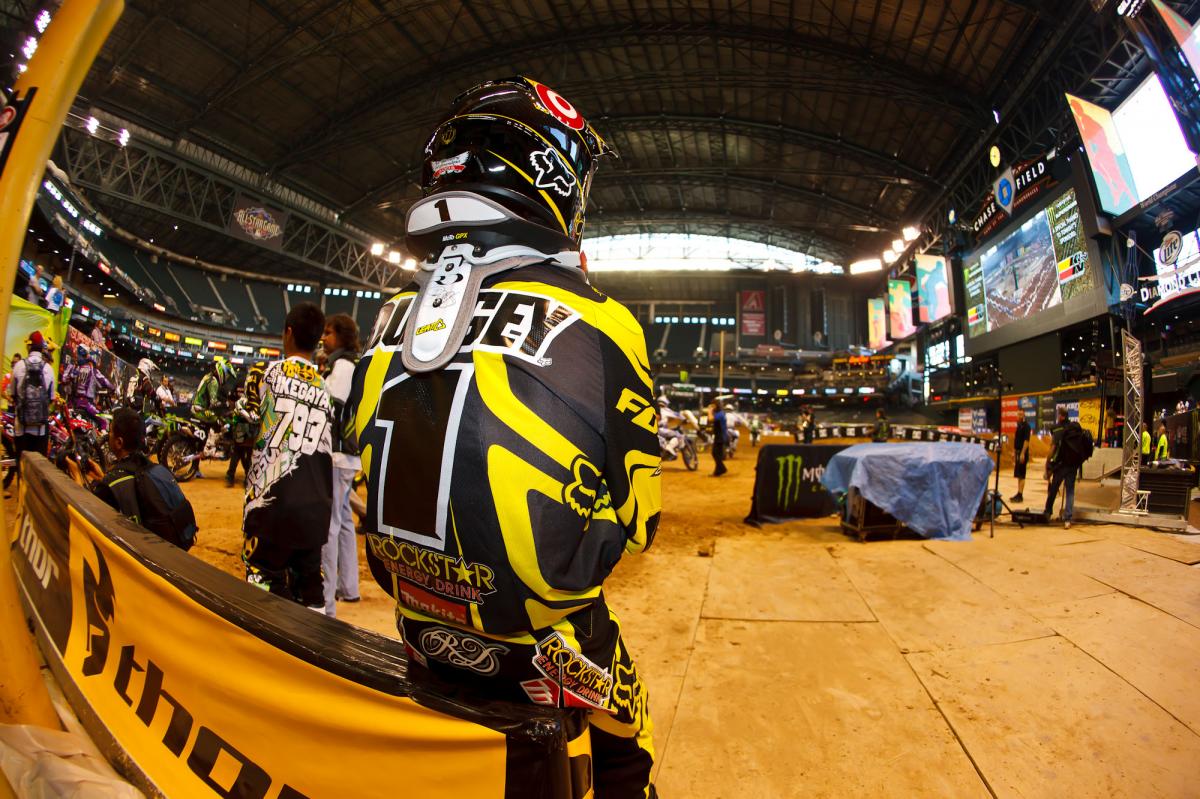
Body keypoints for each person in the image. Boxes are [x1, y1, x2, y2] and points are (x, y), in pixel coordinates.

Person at [344, 77, 659, 798]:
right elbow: (642, 522)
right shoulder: (605, 322)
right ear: (551, 172)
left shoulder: (389, 319)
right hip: (547, 649)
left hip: (418, 631)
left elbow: (361, 469)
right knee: (628, 728)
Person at [241, 303, 333, 610]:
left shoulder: (265, 374)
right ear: (317, 340)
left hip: (271, 503)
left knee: (261, 594)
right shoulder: (325, 387)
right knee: (312, 596)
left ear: (288, 332)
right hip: (315, 508)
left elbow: (245, 423)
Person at [92, 408, 197, 550]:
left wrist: (77, 473)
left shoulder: (111, 483)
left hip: (145, 555)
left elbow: (86, 515)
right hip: (175, 548)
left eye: (110, 432)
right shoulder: (155, 468)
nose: (108, 435)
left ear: (119, 442)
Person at [319, 314, 361, 615]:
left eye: (329, 333)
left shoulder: (344, 366)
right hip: (347, 457)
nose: (324, 338)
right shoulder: (348, 363)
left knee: (329, 526)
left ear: (342, 336)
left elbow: (329, 408)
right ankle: (348, 587)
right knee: (344, 521)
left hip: (338, 456)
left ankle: (327, 601)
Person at [8, 332, 54, 488]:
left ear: (29, 347)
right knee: (37, 473)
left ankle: (21, 495)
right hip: (40, 431)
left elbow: (12, 394)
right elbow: (51, 399)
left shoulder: (19, 366)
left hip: (21, 428)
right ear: (42, 348)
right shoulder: (48, 369)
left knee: (22, 469)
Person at [1043, 407, 1089, 528]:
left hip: (1061, 465)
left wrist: (1047, 462)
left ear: (1061, 416)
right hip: (1073, 465)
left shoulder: (1058, 428)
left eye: (1058, 415)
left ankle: (1047, 513)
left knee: (1054, 489)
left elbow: (1053, 447)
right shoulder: (1074, 428)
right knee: (1070, 491)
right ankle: (1067, 519)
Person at [63, 345, 112, 427]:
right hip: (84, 403)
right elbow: (105, 381)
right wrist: (113, 388)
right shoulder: (90, 370)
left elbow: (64, 379)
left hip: (75, 402)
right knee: (104, 421)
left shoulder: (79, 367)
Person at [225, 383, 258, 488]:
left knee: (244, 454)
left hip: (248, 429)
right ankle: (232, 477)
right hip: (241, 428)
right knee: (238, 453)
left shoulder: (250, 400)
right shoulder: (243, 401)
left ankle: (238, 477)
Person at [1011, 415, 1031, 503]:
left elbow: (1026, 441)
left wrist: (1023, 453)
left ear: (1023, 416)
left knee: (1022, 475)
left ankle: (1020, 495)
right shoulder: (1019, 426)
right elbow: (1016, 440)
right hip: (1018, 452)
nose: (1018, 416)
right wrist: (1014, 452)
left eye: (1020, 415)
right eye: (1018, 414)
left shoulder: (1026, 427)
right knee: (1019, 474)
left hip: (1022, 453)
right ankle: (1018, 493)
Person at [709, 398, 728, 476]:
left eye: (713, 406)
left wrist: (710, 411)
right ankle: (717, 471)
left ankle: (722, 468)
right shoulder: (720, 413)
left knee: (715, 453)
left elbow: (710, 419)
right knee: (718, 454)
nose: (712, 407)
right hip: (719, 436)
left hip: (720, 436)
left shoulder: (720, 414)